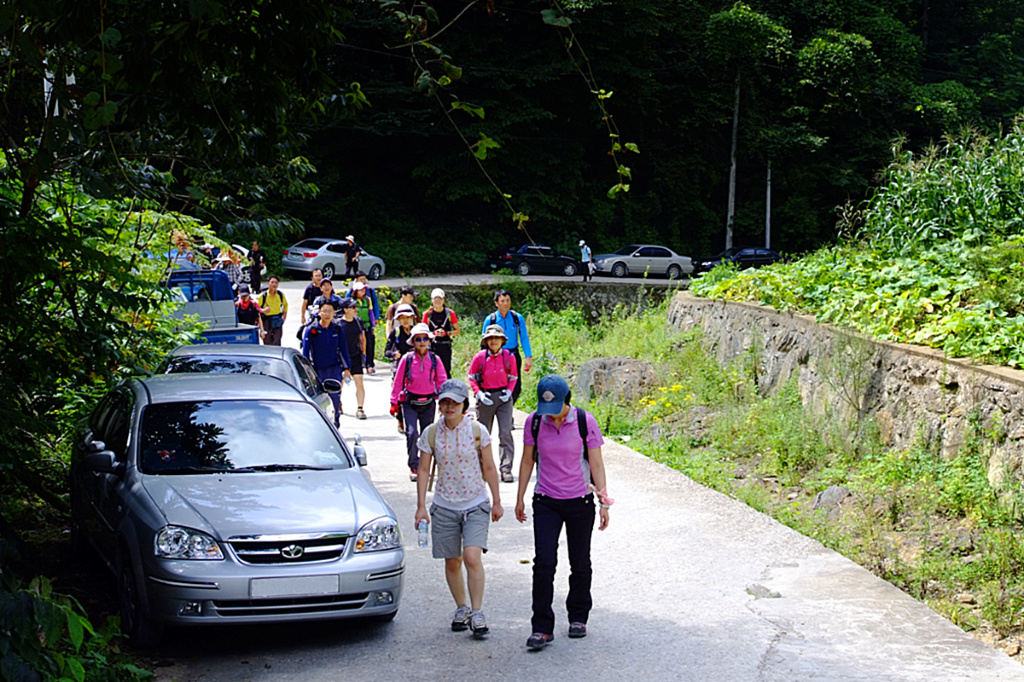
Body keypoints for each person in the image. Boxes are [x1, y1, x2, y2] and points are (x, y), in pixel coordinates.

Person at [515, 374, 611, 651]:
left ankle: (578, 616)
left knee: (579, 561)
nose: (552, 416)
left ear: (565, 400)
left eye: (555, 409)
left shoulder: (584, 421)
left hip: (579, 501)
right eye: (547, 411)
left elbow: (596, 463)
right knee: (544, 562)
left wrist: (603, 501)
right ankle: (542, 627)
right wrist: (520, 496)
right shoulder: (535, 421)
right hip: (546, 500)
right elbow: (526, 460)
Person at [415, 379, 503, 639]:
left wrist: (497, 500)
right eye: (444, 401)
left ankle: (477, 612)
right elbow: (423, 470)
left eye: (454, 401)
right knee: (452, 561)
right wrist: (421, 506)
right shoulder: (431, 433)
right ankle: (461, 608)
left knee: (472, 557)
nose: (448, 406)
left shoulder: (477, 431)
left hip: (475, 502)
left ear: (465, 404)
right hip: (444, 505)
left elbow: (488, 467)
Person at [391, 322, 448, 481]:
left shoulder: (435, 360)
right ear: (413, 341)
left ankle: (424, 465)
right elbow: (398, 381)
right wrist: (394, 402)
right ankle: (413, 465)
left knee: (426, 436)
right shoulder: (407, 359)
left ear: (429, 341)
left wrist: (444, 401)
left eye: (425, 338)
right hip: (410, 402)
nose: (422, 342)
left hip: (429, 402)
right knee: (411, 433)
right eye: (418, 339)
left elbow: (442, 381)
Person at [468, 325, 518, 483]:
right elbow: (472, 377)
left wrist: (509, 392)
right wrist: (479, 394)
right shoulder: (480, 357)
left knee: (505, 432)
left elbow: (513, 377)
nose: (494, 341)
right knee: (483, 434)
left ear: (502, 340)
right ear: (486, 341)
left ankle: (506, 468)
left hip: (503, 397)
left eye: (497, 338)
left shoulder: (509, 357)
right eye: (490, 338)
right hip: (486, 397)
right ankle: (481, 467)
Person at [301, 300, 352, 427]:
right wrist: (308, 372)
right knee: (319, 398)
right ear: (319, 313)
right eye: (324, 311)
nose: (327, 314)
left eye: (330, 311)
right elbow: (305, 354)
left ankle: (336, 422)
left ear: (334, 313)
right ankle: (321, 424)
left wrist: (347, 369)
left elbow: (343, 349)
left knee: (335, 396)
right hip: (317, 370)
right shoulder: (311, 330)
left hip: (334, 369)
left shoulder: (337, 329)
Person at [481, 289, 532, 404]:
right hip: (496, 356)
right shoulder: (491, 319)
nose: (505, 303)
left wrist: (528, 357)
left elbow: (524, 337)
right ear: (496, 303)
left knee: (516, 385)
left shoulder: (517, 318)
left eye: (507, 300)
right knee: (498, 384)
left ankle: (509, 408)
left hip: (513, 355)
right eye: (502, 301)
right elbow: (483, 341)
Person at [384, 304, 417, 434]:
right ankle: (400, 419)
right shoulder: (396, 332)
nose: (405, 320)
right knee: (400, 395)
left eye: (408, 317)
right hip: (399, 368)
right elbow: (386, 351)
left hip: (415, 366)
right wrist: (393, 354)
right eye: (402, 318)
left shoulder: (416, 331)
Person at [337, 298, 368, 420]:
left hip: (356, 356)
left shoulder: (358, 322)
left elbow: (362, 338)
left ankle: (360, 408)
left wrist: (363, 353)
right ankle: (337, 402)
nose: (355, 309)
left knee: (359, 383)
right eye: (352, 307)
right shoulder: (339, 324)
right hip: (342, 357)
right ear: (345, 310)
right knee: (340, 383)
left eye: (355, 307)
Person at [347, 273, 380, 374]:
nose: (363, 291)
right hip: (355, 324)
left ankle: (369, 364)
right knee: (356, 344)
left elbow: (373, 307)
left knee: (370, 342)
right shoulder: (351, 298)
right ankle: (357, 363)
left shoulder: (368, 297)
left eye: (364, 279)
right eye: (361, 279)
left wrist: (375, 320)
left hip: (367, 324)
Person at [423, 288, 460, 377]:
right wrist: (434, 334)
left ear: (444, 300)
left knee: (446, 370)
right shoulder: (427, 314)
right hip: (432, 346)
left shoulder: (450, 313)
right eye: (435, 299)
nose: (438, 301)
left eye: (440, 299)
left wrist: (446, 333)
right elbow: (423, 332)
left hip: (445, 346)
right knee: (432, 370)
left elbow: (457, 331)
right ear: (432, 300)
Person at [257, 275, 288, 346]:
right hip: (266, 321)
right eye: (272, 282)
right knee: (267, 341)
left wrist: (284, 318)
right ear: (268, 283)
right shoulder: (263, 296)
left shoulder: (280, 295)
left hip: (277, 320)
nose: (274, 284)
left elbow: (285, 305)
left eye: (276, 282)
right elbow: (256, 309)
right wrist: (263, 310)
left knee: (277, 341)